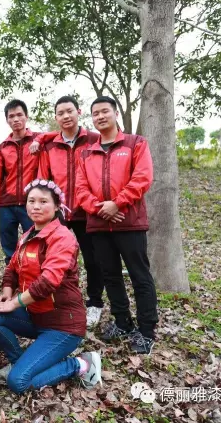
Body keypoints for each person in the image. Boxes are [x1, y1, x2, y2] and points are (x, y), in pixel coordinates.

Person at [0, 179, 102, 394]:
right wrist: (7, 295)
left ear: (57, 206)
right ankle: (20, 362)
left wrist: (14, 303)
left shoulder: (62, 237)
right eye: (31, 201)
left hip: (64, 326)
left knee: (18, 383)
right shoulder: (28, 235)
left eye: (43, 202)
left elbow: (48, 283)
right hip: (35, 317)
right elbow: (12, 270)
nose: (36, 206)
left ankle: (80, 364)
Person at [76, 96, 158, 354]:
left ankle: (147, 331)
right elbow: (80, 189)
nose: (100, 117)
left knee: (139, 276)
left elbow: (142, 178)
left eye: (105, 111)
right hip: (99, 225)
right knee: (110, 275)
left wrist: (117, 204)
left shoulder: (135, 143)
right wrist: (101, 208)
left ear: (115, 114)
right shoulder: (86, 153)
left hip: (129, 223)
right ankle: (122, 322)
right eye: (95, 113)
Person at [28, 96, 105, 329]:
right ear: (56, 117)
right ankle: (56, 299)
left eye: (69, 111)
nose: (66, 116)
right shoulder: (50, 145)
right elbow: (43, 179)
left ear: (78, 112)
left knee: (93, 259)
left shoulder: (94, 139)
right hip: (60, 212)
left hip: (87, 210)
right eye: (60, 113)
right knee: (53, 258)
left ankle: (95, 303)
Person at [0, 99, 42, 265]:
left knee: (34, 242)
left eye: (19, 115)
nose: (16, 119)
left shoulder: (38, 140)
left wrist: (39, 140)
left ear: (26, 116)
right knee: (9, 245)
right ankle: (11, 275)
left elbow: (57, 134)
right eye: (11, 116)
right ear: (7, 120)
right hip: (7, 204)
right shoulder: (3, 147)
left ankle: (33, 274)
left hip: (31, 202)